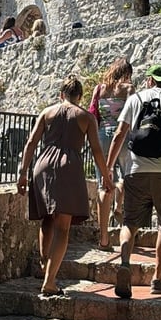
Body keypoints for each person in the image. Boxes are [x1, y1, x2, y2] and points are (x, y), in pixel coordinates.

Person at [16, 75, 112, 297]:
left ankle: (44, 262)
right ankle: (50, 282)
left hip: (43, 165)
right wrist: (106, 176)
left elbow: (31, 142)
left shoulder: (47, 113)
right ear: (79, 97)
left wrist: (23, 173)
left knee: (47, 218)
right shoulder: (86, 117)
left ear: (61, 94)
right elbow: (97, 150)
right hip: (68, 167)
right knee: (63, 226)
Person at [106, 65, 161, 298]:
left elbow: (119, 133)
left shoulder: (135, 99)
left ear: (150, 80)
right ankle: (157, 278)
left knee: (130, 223)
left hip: (136, 170)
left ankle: (124, 262)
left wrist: (108, 167)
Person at [88, 58, 134, 251]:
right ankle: (119, 206)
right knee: (126, 178)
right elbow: (134, 113)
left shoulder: (99, 89)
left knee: (103, 185)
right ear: (127, 72)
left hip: (101, 136)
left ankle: (104, 238)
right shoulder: (129, 89)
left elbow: (92, 112)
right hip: (122, 135)